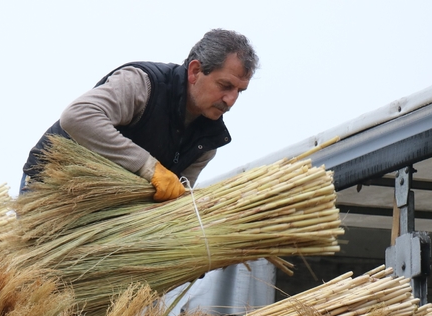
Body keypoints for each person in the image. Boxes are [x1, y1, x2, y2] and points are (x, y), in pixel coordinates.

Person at [21, 29, 258, 201]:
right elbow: (77, 117)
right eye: (225, 86)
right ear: (195, 71)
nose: (231, 100)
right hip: (49, 185)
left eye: (239, 91)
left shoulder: (207, 141)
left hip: (103, 209)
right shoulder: (143, 85)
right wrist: (149, 167)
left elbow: (176, 199)